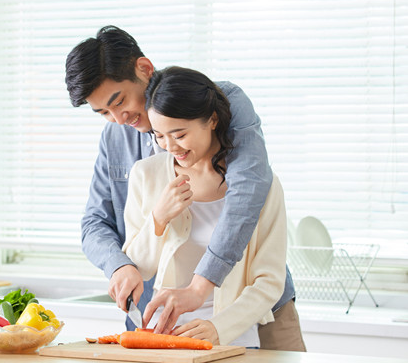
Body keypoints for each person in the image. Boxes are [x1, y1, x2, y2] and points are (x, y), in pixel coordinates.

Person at [64, 25, 306, 351]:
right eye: (103, 113)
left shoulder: (221, 104)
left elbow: (249, 191)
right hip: (162, 319)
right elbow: (96, 222)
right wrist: (120, 265)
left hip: (256, 317)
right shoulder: (131, 156)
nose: (119, 120)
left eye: (118, 101)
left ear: (144, 69)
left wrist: (201, 291)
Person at [122, 66, 287, 347]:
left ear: (211, 120)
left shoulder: (261, 186)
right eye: (159, 136)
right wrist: (158, 219)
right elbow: (140, 268)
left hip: (231, 338)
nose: (170, 146)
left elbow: (269, 281)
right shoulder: (146, 175)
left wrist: (218, 328)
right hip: (164, 338)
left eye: (179, 134)